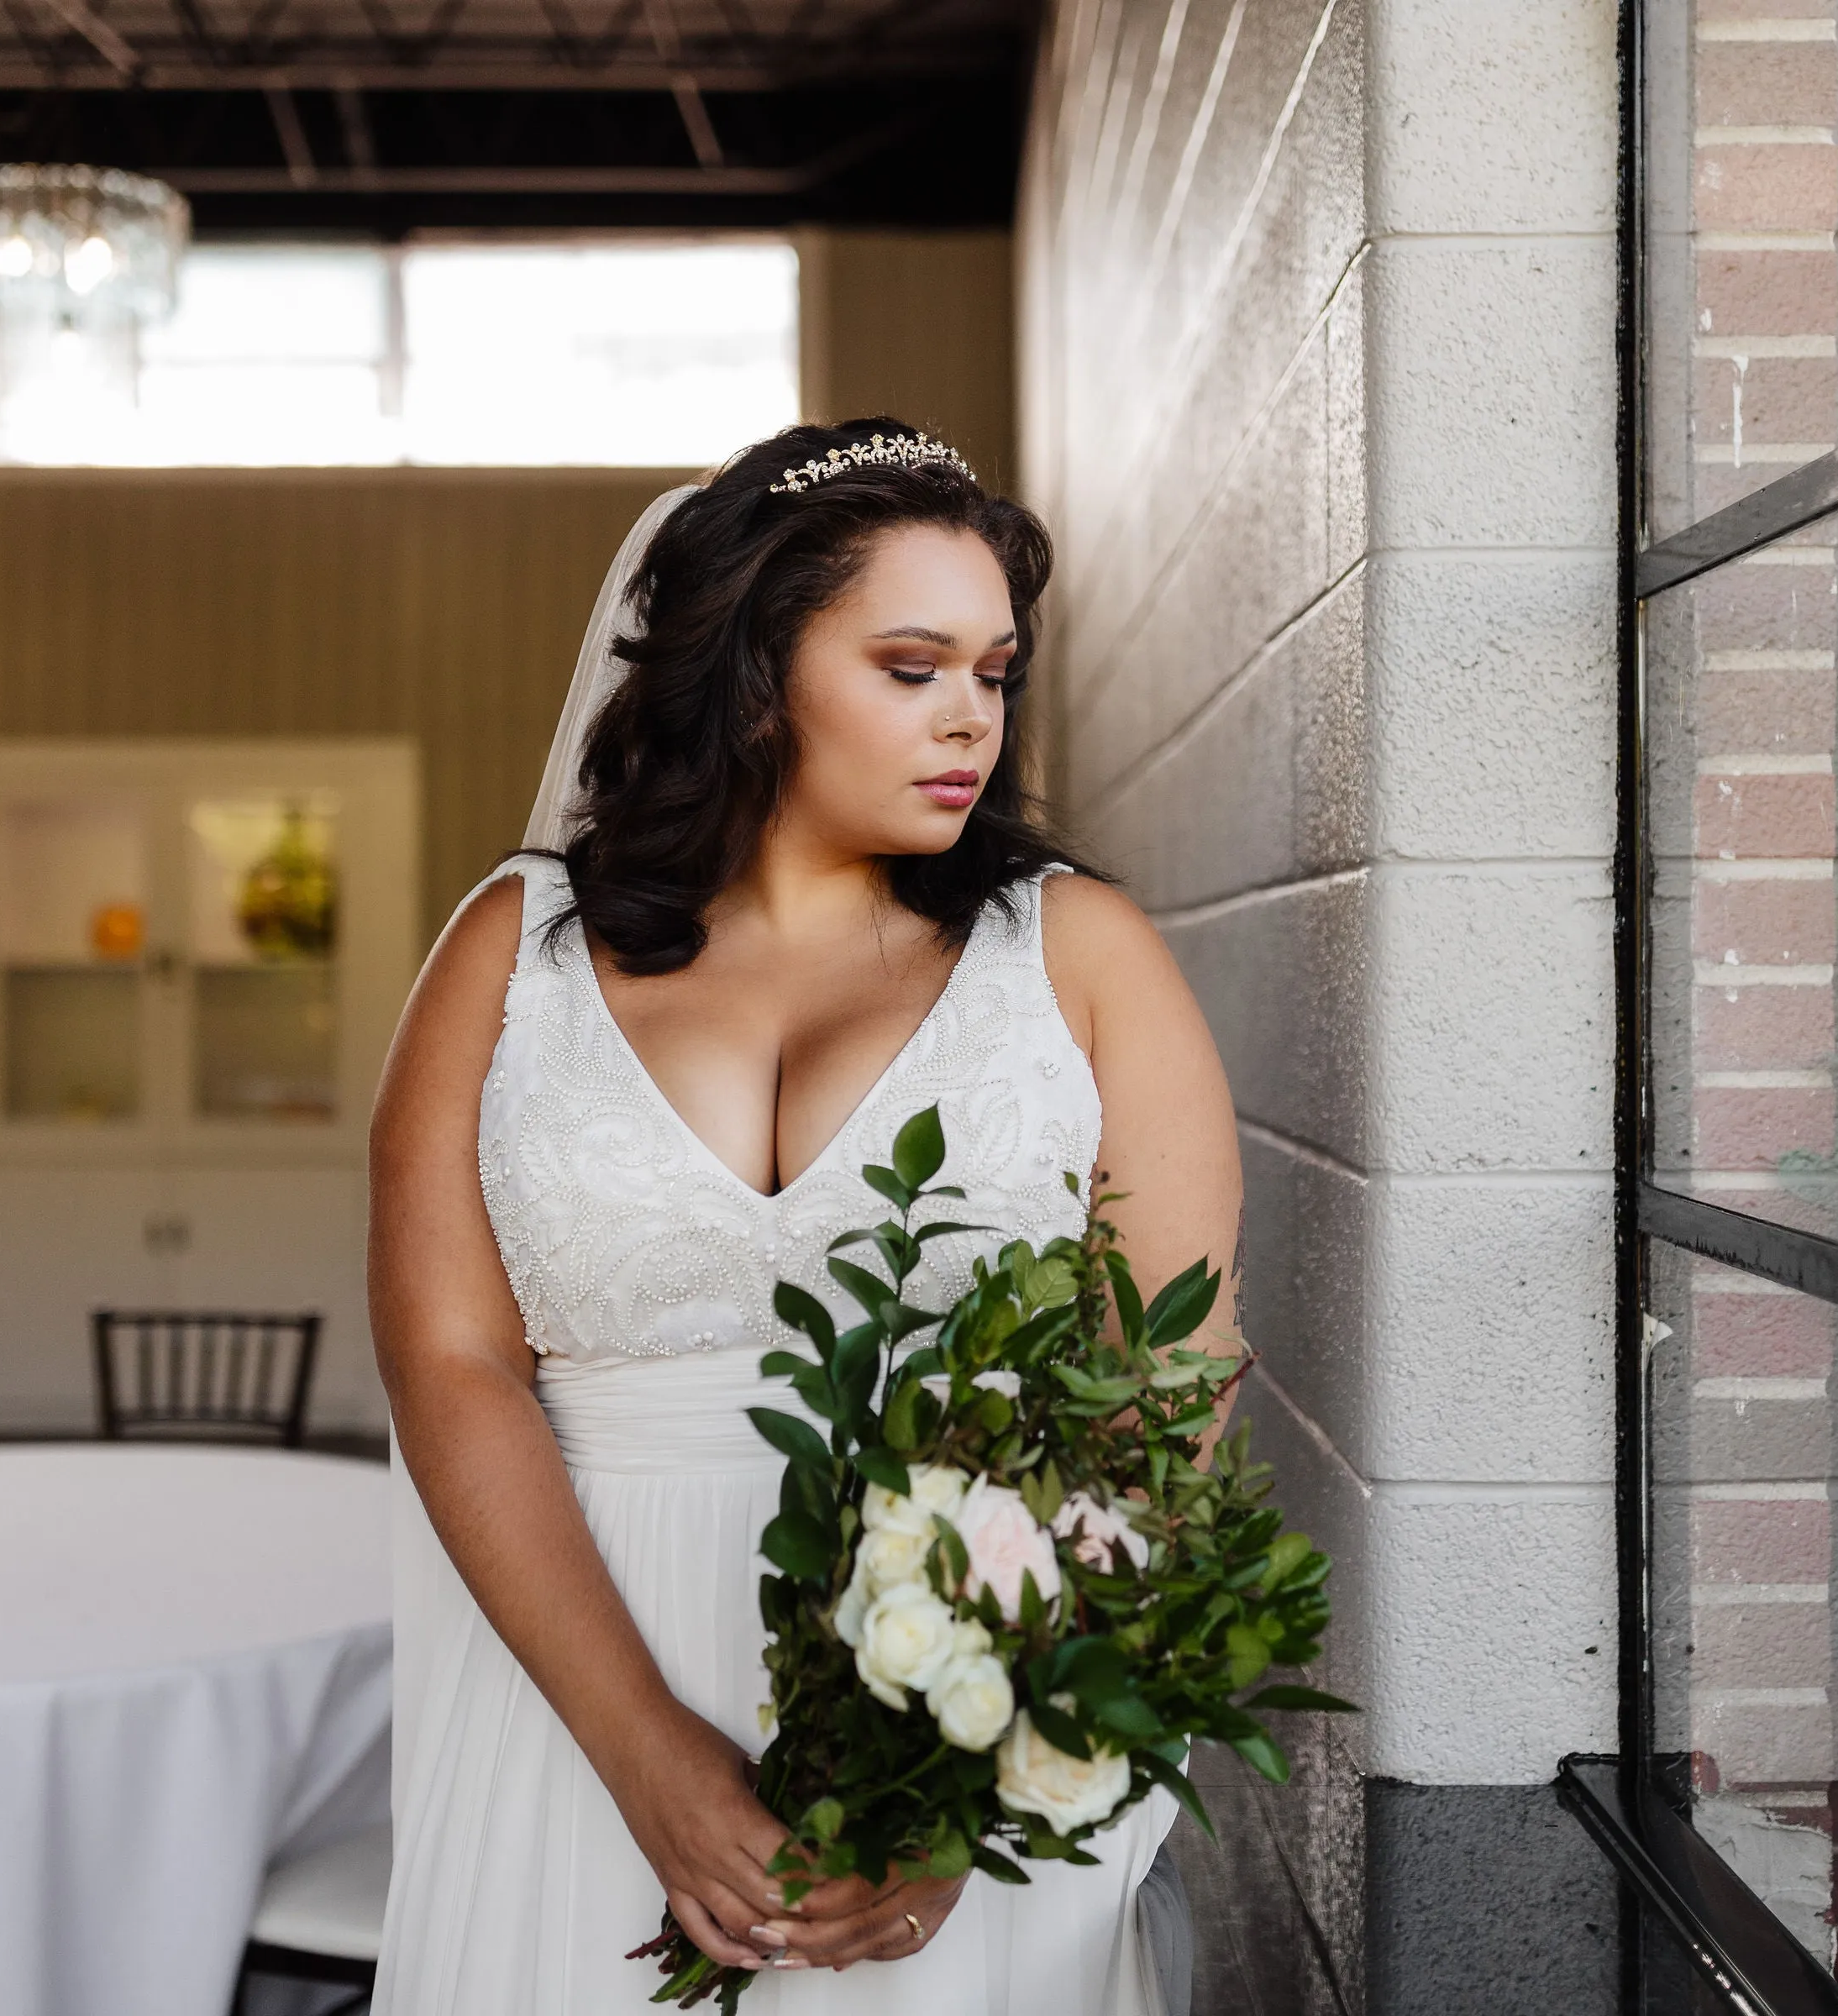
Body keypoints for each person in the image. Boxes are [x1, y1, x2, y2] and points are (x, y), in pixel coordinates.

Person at [364, 420, 1243, 2013]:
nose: (971, 717)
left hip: (972, 1685)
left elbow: (1169, 1387)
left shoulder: (1084, 957)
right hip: (576, 1663)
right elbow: (451, 1364)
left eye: (995, 670)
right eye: (912, 666)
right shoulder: (513, 955)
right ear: (758, 677)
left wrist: (965, 1790)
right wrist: (648, 1760)